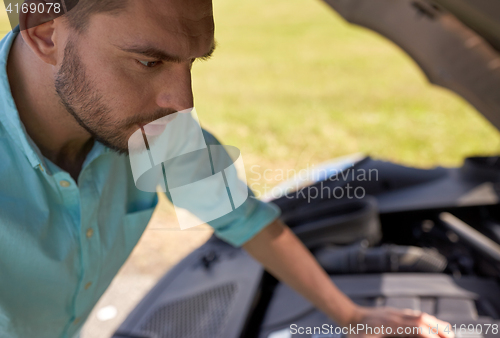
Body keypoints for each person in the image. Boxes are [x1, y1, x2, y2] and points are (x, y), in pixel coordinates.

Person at [0, 0, 455, 337]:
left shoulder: (154, 130)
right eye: (149, 61)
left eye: (192, 62)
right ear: (44, 31)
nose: (182, 102)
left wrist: (353, 317)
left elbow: (242, 216)